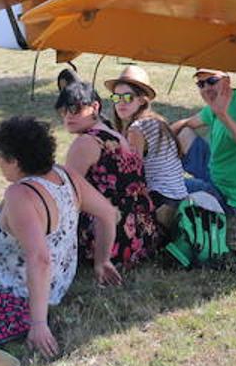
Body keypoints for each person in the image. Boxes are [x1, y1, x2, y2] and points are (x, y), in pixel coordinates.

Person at [0, 116, 121, 356]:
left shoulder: (20, 194)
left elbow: (39, 258)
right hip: (57, 284)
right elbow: (107, 213)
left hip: (15, 289)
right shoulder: (66, 175)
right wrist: (102, 260)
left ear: (15, 161)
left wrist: (38, 324)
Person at [56, 81, 159, 269]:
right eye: (63, 112)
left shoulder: (86, 143)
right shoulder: (115, 134)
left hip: (109, 240)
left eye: (75, 109)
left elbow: (66, 195)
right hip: (142, 235)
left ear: (95, 106)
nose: (68, 116)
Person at [170, 68, 236, 212]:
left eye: (212, 81)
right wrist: (156, 138)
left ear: (227, 81)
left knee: (165, 188)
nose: (206, 88)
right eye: (201, 84)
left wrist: (223, 115)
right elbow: (187, 123)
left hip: (231, 198)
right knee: (183, 134)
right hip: (214, 173)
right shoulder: (217, 104)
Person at [105, 65, 187, 225]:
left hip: (162, 204)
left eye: (128, 97)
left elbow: (131, 173)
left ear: (142, 100)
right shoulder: (155, 121)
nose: (121, 102)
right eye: (116, 97)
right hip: (178, 199)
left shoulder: (137, 129)